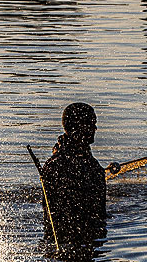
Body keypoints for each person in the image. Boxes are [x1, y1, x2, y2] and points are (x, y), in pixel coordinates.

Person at [40, 102, 107, 248]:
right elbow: (99, 215)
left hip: (54, 237)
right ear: (80, 127)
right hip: (87, 239)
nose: (95, 128)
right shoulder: (92, 168)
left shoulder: (52, 163)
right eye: (91, 123)